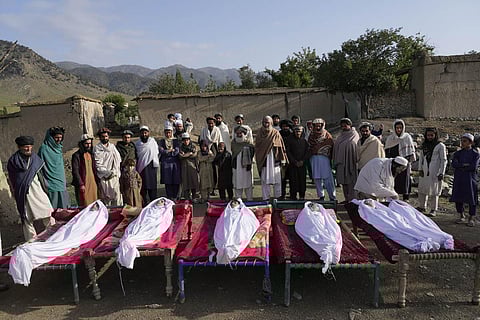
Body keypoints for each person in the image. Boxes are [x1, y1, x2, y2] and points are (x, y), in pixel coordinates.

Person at [7, 136, 54, 241]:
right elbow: (13, 179)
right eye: (25, 147)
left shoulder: (35, 159)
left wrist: (45, 188)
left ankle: (54, 235)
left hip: (38, 190)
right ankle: (32, 242)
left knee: (48, 212)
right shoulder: (13, 161)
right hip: (24, 194)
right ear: (19, 147)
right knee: (27, 218)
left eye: (30, 147)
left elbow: (41, 176)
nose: (28, 149)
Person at [255, 115, 288, 201]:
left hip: (274, 158)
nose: (266, 124)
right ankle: (266, 198)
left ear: (271, 123)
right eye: (265, 122)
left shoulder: (275, 133)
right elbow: (257, 146)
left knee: (277, 179)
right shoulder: (259, 133)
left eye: (268, 122)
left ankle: (278, 197)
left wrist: (282, 157)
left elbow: (281, 146)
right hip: (264, 159)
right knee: (265, 180)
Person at [450, 133, 480, 227]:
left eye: (464, 141)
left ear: (470, 142)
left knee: (472, 198)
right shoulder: (458, 153)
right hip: (459, 178)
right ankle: (461, 215)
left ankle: (471, 217)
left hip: (470, 179)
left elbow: (473, 167)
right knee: (458, 196)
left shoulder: (475, 154)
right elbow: (454, 164)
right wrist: (464, 165)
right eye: (461, 141)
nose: (462, 143)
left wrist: (461, 166)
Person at [417, 128, 447, 217]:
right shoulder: (424, 145)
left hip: (435, 171)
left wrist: (442, 172)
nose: (430, 137)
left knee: (435, 190)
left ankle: (433, 209)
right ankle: (422, 206)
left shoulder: (440, 146)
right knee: (422, 188)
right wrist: (420, 169)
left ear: (435, 135)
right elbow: (421, 158)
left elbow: (444, 160)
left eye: (431, 135)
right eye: (428, 135)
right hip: (425, 170)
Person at [38, 127, 69, 208]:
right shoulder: (44, 149)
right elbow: (39, 167)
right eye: (56, 137)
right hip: (51, 183)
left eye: (60, 138)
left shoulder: (59, 148)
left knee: (64, 206)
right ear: (50, 138)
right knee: (54, 207)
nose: (58, 140)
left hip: (61, 181)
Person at [384, 119, 416, 201]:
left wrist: (407, 161)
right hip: (394, 163)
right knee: (394, 180)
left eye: (400, 128)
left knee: (406, 179)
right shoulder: (390, 138)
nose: (399, 130)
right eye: (397, 128)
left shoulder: (407, 137)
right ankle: (394, 196)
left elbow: (411, 150)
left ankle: (406, 197)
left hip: (405, 162)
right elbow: (387, 151)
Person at [308, 118, 336, 201]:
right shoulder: (311, 135)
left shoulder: (327, 134)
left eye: (319, 125)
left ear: (322, 125)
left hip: (324, 158)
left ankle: (332, 196)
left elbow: (329, 144)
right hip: (314, 158)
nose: (318, 126)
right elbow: (310, 145)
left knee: (328, 177)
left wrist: (319, 148)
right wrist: (316, 149)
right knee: (317, 178)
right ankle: (321, 196)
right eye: (316, 125)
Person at [94, 128, 122, 206]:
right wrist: (107, 173)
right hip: (104, 177)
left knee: (116, 196)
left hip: (113, 176)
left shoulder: (112, 147)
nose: (105, 138)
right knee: (106, 198)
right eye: (103, 136)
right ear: (100, 137)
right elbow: (98, 164)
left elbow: (117, 160)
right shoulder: (97, 149)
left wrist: (114, 171)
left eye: (106, 136)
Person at [333, 118, 359, 203]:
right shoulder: (341, 135)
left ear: (350, 125)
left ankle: (353, 199)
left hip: (350, 162)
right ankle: (346, 198)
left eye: (346, 125)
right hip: (341, 163)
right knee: (343, 181)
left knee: (351, 182)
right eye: (342, 125)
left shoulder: (354, 134)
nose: (344, 127)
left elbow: (353, 145)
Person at [71, 134, 98, 206]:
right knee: (84, 203)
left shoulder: (91, 154)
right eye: (86, 143)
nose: (88, 145)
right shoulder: (77, 156)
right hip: (83, 183)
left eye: (89, 143)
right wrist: (81, 184)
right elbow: (75, 171)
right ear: (82, 144)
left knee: (94, 203)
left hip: (92, 183)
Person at [135, 125, 159, 204]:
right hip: (141, 168)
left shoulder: (152, 142)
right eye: (142, 133)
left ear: (148, 133)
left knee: (152, 188)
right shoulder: (137, 144)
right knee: (143, 187)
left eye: (145, 133)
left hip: (151, 167)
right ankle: (143, 204)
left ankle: (153, 204)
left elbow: (157, 153)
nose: (144, 135)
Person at [200, 116, 223, 195]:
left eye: (212, 123)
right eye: (209, 123)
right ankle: (207, 188)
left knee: (215, 170)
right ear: (207, 123)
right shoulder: (204, 130)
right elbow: (202, 140)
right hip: (207, 150)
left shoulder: (217, 130)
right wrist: (205, 150)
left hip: (215, 150)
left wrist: (220, 152)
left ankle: (214, 188)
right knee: (208, 171)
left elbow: (220, 141)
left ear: (214, 123)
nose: (211, 125)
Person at [231, 125, 255, 201]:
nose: (239, 134)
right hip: (237, 167)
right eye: (237, 133)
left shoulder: (249, 144)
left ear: (244, 133)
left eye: (240, 133)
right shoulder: (233, 143)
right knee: (237, 183)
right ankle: (238, 200)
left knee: (248, 183)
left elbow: (252, 154)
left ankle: (249, 199)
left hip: (246, 168)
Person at [286, 126, 309, 200]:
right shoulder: (290, 140)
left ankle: (302, 196)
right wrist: (294, 161)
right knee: (293, 181)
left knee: (302, 181)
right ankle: (293, 196)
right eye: (296, 131)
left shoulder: (305, 141)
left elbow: (307, 152)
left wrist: (303, 161)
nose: (298, 132)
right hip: (293, 164)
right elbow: (288, 152)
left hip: (302, 164)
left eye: (299, 131)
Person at [158, 124, 181, 200]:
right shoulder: (162, 141)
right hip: (166, 163)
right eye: (166, 132)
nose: (168, 134)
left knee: (176, 180)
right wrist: (170, 151)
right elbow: (161, 150)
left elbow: (177, 151)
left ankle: (175, 196)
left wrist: (168, 152)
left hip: (175, 162)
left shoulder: (176, 140)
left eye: (169, 132)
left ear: (172, 132)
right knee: (167, 180)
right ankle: (169, 196)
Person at [179, 133, 200, 200]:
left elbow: (194, 155)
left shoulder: (193, 146)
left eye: (187, 140)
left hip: (192, 167)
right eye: (184, 140)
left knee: (193, 182)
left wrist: (185, 154)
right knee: (186, 183)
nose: (186, 141)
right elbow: (180, 156)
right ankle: (187, 198)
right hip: (184, 167)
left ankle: (194, 197)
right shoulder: (180, 147)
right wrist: (189, 153)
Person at [279, 119, 293, 200]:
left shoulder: (292, 135)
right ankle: (282, 194)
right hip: (282, 160)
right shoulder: (279, 134)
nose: (285, 128)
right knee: (282, 179)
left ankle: (292, 194)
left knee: (292, 178)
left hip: (291, 160)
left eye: (287, 126)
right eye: (284, 126)